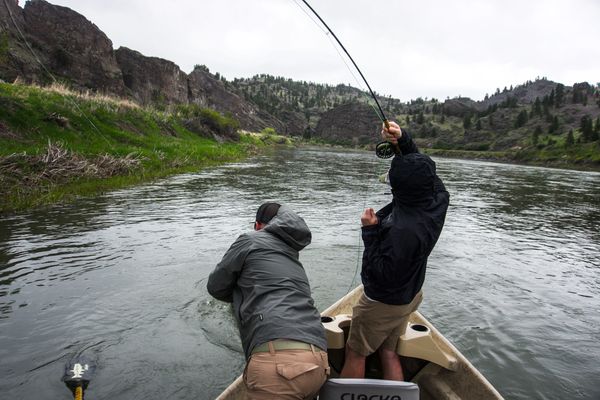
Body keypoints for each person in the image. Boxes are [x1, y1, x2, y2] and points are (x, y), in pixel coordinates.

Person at [340, 121, 450, 381]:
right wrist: (401, 139)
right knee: (389, 352)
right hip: (410, 295)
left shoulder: (403, 231)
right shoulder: (437, 200)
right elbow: (421, 169)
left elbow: (378, 276)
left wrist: (370, 230)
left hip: (384, 302)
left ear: (400, 189)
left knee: (356, 353)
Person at [207, 202, 329, 400]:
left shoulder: (250, 239)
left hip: (279, 368)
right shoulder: (292, 254)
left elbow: (215, 286)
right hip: (319, 361)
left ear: (257, 225)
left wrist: (243, 295)